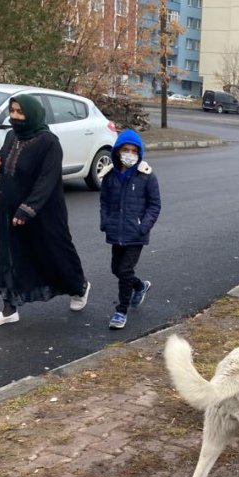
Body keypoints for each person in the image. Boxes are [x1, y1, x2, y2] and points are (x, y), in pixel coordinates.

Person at [0, 95, 90, 327]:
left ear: (32, 114)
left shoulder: (49, 142)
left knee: (53, 253)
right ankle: (9, 308)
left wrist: (27, 210)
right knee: (9, 255)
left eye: (20, 112)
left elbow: (47, 180)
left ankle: (79, 286)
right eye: (12, 111)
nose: (14, 116)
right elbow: (5, 157)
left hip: (44, 212)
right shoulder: (11, 135)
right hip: (9, 207)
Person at [100, 129, 161, 330]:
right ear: (117, 151)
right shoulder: (110, 176)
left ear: (139, 153)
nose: (129, 154)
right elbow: (105, 202)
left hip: (136, 234)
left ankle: (121, 310)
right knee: (116, 269)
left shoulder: (146, 176)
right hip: (115, 231)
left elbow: (154, 205)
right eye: (125, 150)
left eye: (133, 151)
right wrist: (105, 221)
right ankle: (139, 286)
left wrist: (143, 226)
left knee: (125, 269)